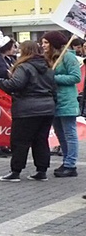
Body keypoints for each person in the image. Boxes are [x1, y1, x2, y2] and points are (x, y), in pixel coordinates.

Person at [0, 41, 56, 182]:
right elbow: (54, 89)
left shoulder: (24, 67)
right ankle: (41, 170)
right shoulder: (48, 67)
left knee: (20, 141)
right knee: (41, 140)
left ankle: (16, 171)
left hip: (27, 109)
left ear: (25, 51)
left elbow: (15, 85)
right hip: (47, 108)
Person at [42, 30, 81, 178]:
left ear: (54, 43)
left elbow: (75, 77)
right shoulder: (48, 58)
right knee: (60, 133)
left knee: (69, 133)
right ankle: (66, 160)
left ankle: (71, 164)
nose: (43, 45)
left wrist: (54, 77)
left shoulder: (68, 57)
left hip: (67, 100)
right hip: (53, 100)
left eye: (46, 42)